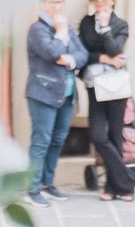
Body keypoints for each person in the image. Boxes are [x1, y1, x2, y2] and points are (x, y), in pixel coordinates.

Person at [24, 0, 86, 204]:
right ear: (42, 4)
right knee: (41, 141)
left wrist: (68, 59)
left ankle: (46, 184)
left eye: (61, 2)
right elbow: (51, 52)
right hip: (43, 93)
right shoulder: (37, 29)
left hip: (66, 94)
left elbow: (83, 54)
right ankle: (32, 189)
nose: (58, 7)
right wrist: (60, 34)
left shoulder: (67, 28)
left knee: (58, 139)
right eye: (53, 2)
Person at [78, 0, 135, 202]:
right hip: (95, 86)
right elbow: (83, 53)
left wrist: (104, 27)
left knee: (115, 135)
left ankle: (114, 187)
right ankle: (127, 180)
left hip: (116, 87)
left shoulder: (121, 25)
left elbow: (115, 49)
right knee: (97, 135)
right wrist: (104, 59)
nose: (101, 2)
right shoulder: (86, 23)